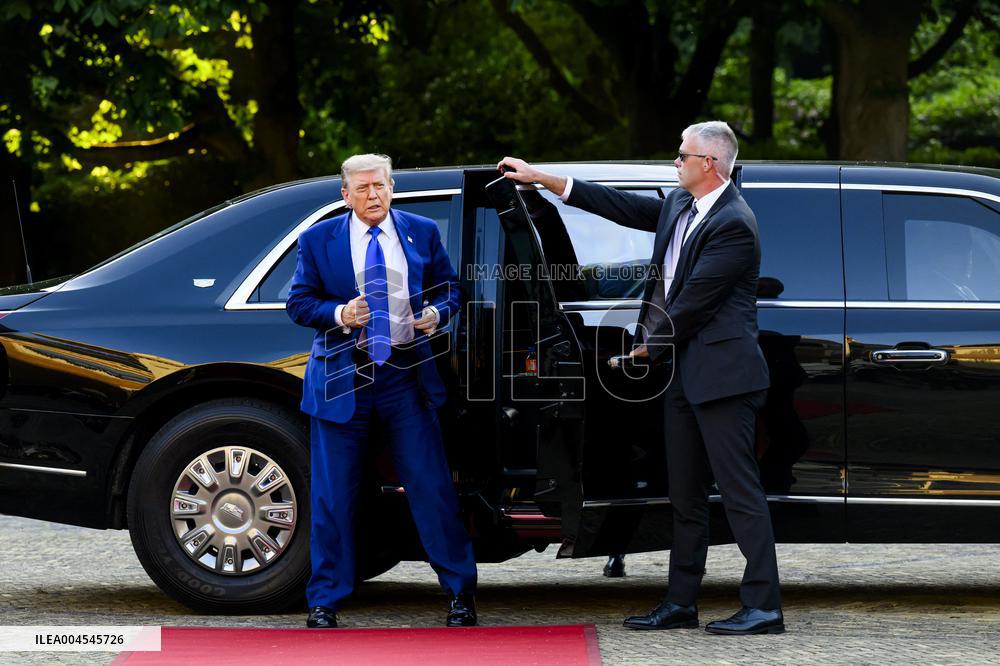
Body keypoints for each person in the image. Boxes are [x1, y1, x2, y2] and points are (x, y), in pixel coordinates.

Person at [498, 121, 782, 636]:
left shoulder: (734, 223)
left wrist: (643, 350)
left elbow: (694, 302)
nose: (675, 162)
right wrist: (543, 179)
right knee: (684, 495)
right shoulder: (681, 206)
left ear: (709, 164)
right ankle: (680, 602)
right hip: (684, 377)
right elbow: (621, 206)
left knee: (741, 495)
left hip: (724, 378)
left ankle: (764, 606)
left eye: (681, 156)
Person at [287, 153, 478, 629]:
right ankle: (325, 599)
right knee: (333, 496)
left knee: (432, 488)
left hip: (404, 376)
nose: (374, 196)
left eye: (382, 186)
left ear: (392, 188)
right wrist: (339, 314)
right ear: (345, 194)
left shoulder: (421, 231)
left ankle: (460, 594)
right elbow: (299, 302)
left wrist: (437, 313)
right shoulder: (318, 240)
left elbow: (451, 288)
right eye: (364, 188)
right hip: (341, 377)